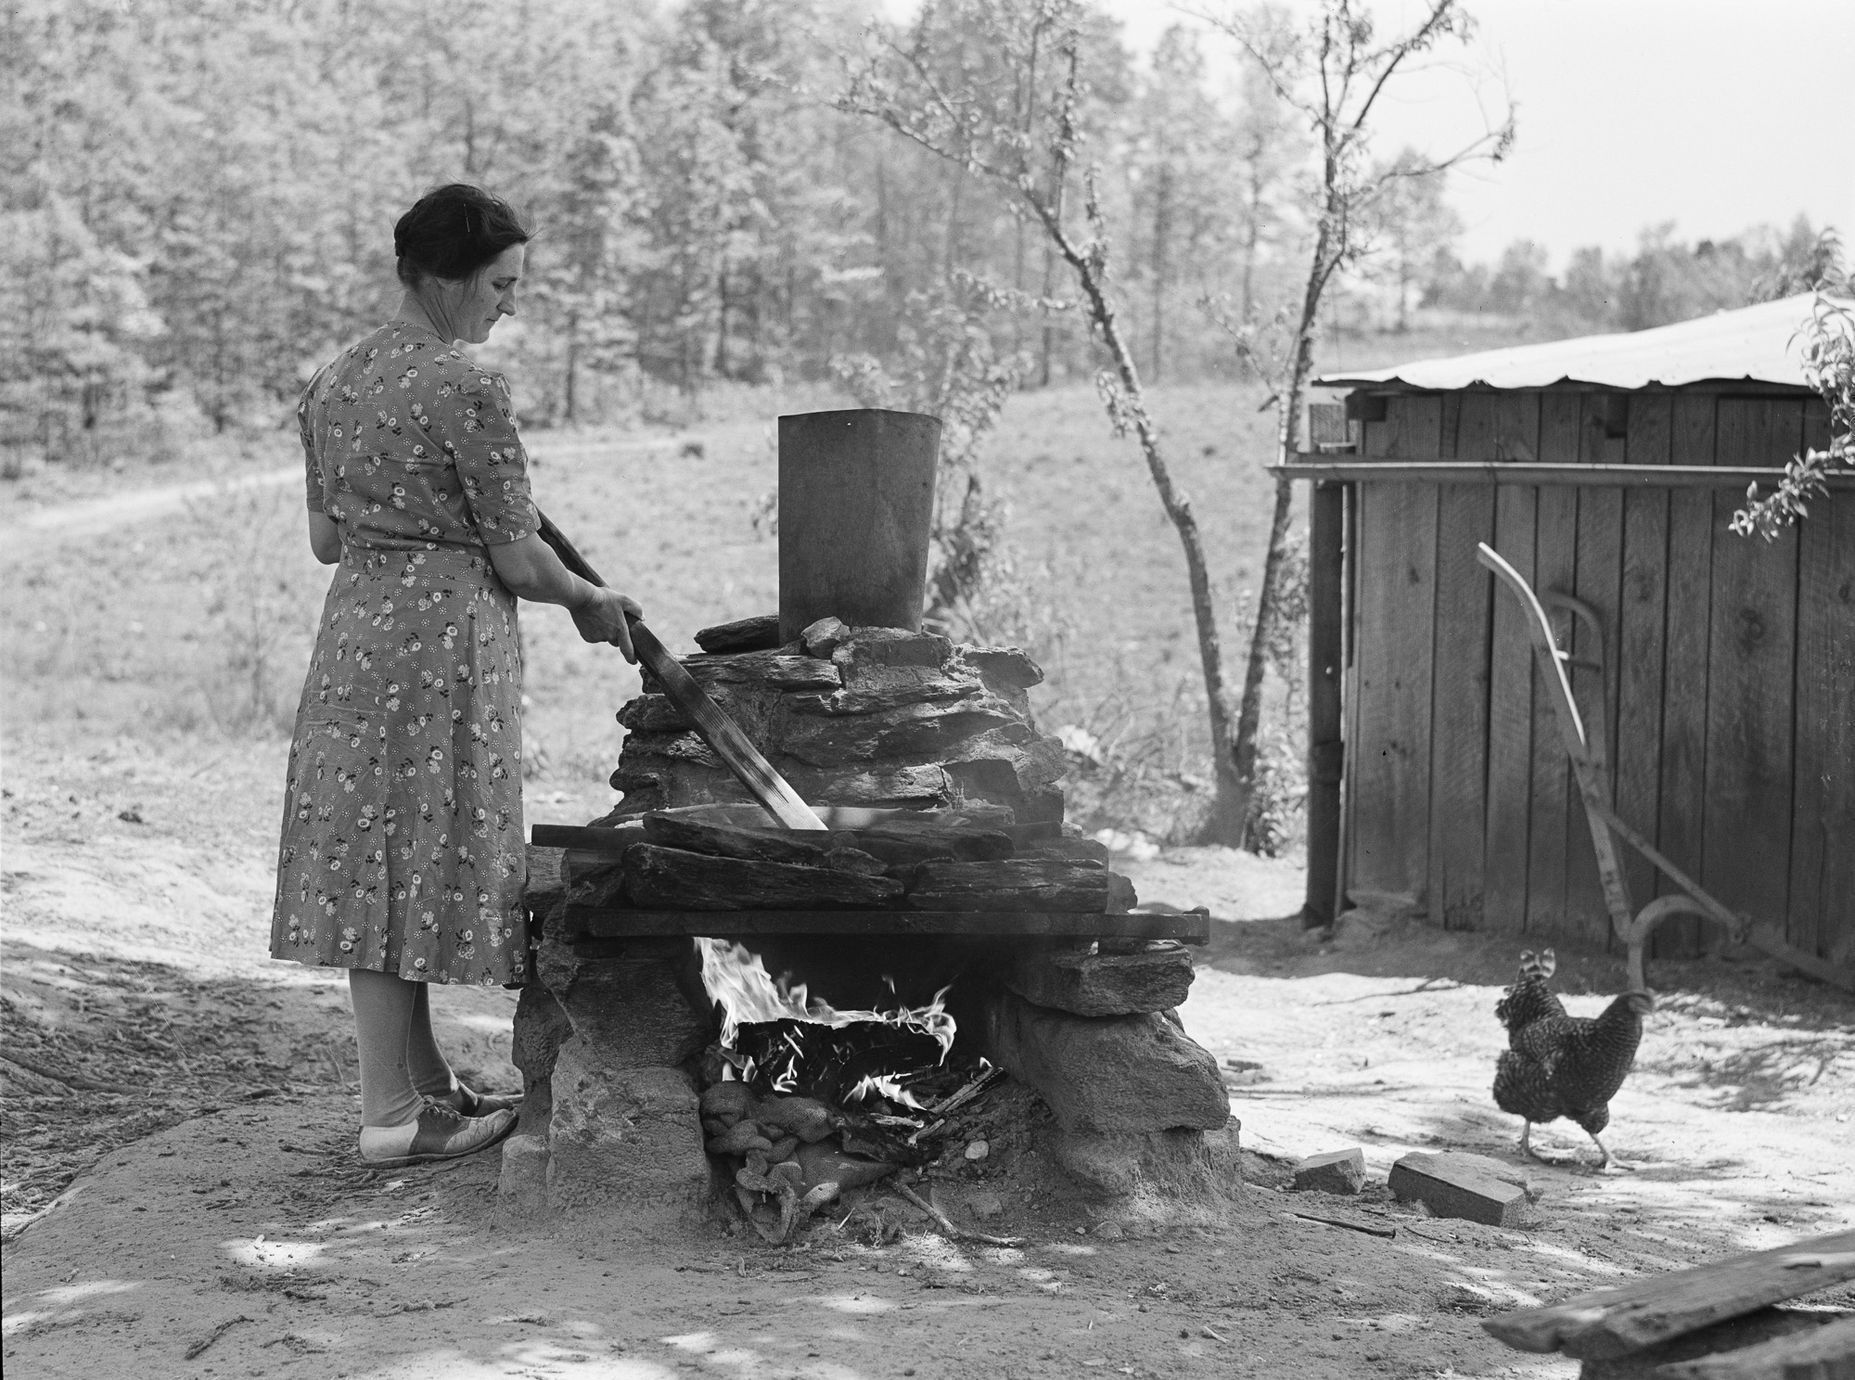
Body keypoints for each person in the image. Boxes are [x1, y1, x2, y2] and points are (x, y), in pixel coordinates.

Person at [270, 183, 641, 1168]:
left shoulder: (333, 381)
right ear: (445, 277)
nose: (508, 304)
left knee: (378, 864)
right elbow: (520, 560)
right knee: (409, 865)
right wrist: (589, 603)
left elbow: (323, 538)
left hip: (355, 645)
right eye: (501, 284)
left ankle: (423, 1088)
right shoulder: (464, 386)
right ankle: (390, 1115)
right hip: (439, 658)